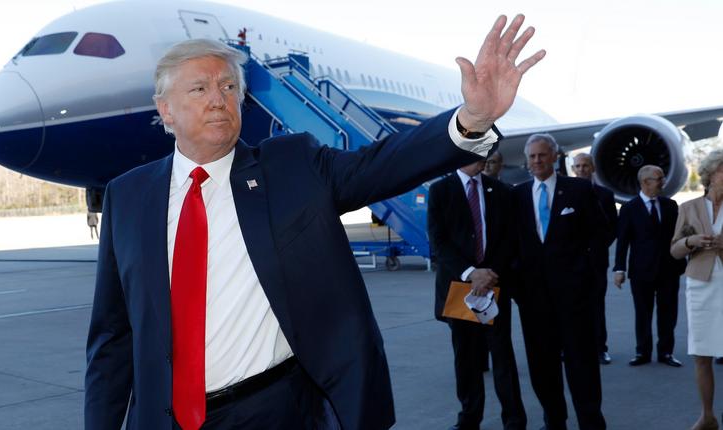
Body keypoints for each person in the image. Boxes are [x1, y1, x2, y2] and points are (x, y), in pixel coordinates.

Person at [84, 15, 545, 430]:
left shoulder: (293, 167)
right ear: (165, 109)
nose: (219, 99)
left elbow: (383, 163)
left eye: (228, 87)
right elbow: (112, 336)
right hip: (164, 418)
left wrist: (473, 118)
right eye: (200, 89)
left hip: (274, 411)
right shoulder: (128, 196)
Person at [512, 133, 606, 430]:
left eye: (542, 155)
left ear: (555, 157)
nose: (537, 161)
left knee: (582, 364)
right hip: (534, 300)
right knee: (542, 366)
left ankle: (591, 422)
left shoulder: (578, 190)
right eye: (532, 157)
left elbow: (601, 234)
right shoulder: (517, 195)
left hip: (575, 297)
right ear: (526, 161)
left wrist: (589, 277)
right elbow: (511, 243)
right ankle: (554, 421)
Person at [429, 157, 526, 430]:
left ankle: (515, 420)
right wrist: (472, 272)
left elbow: (510, 238)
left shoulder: (501, 191)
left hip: (493, 284)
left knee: (502, 356)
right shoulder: (440, 190)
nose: (483, 158)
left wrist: (489, 273)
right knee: (466, 358)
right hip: (460, 286)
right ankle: (469, 419)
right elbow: (438, 240)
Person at [669, 149, 723, 430]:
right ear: (711, 175)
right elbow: (675, 250)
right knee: (701, 354)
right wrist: (692, 243)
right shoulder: (688, 208)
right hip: (700, 285)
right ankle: (708, 416)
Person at [613, 165, 686, 368]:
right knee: (643, 313)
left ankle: (666, 352)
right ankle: (642, 352)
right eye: (658, 178)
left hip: (669, 270)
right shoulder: (629, 208)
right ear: (645, 182)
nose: (663, 181)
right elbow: (623, 242)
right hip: (641, 271)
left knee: (668, 313)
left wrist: (683, 261)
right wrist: (619, 269)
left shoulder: (670, 205)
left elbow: (678, 236)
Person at [570, 153, 617, 365]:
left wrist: (595, 248)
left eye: (585, 166)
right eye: (578, 166)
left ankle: (600, 349)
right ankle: (572, 348)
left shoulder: (605, 195)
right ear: (573, 169)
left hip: (596, 261)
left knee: (597, 306)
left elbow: (612, 228)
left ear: (593, 168)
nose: (581, 170)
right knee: (571, 306)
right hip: (570, 263)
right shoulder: (564, 193)